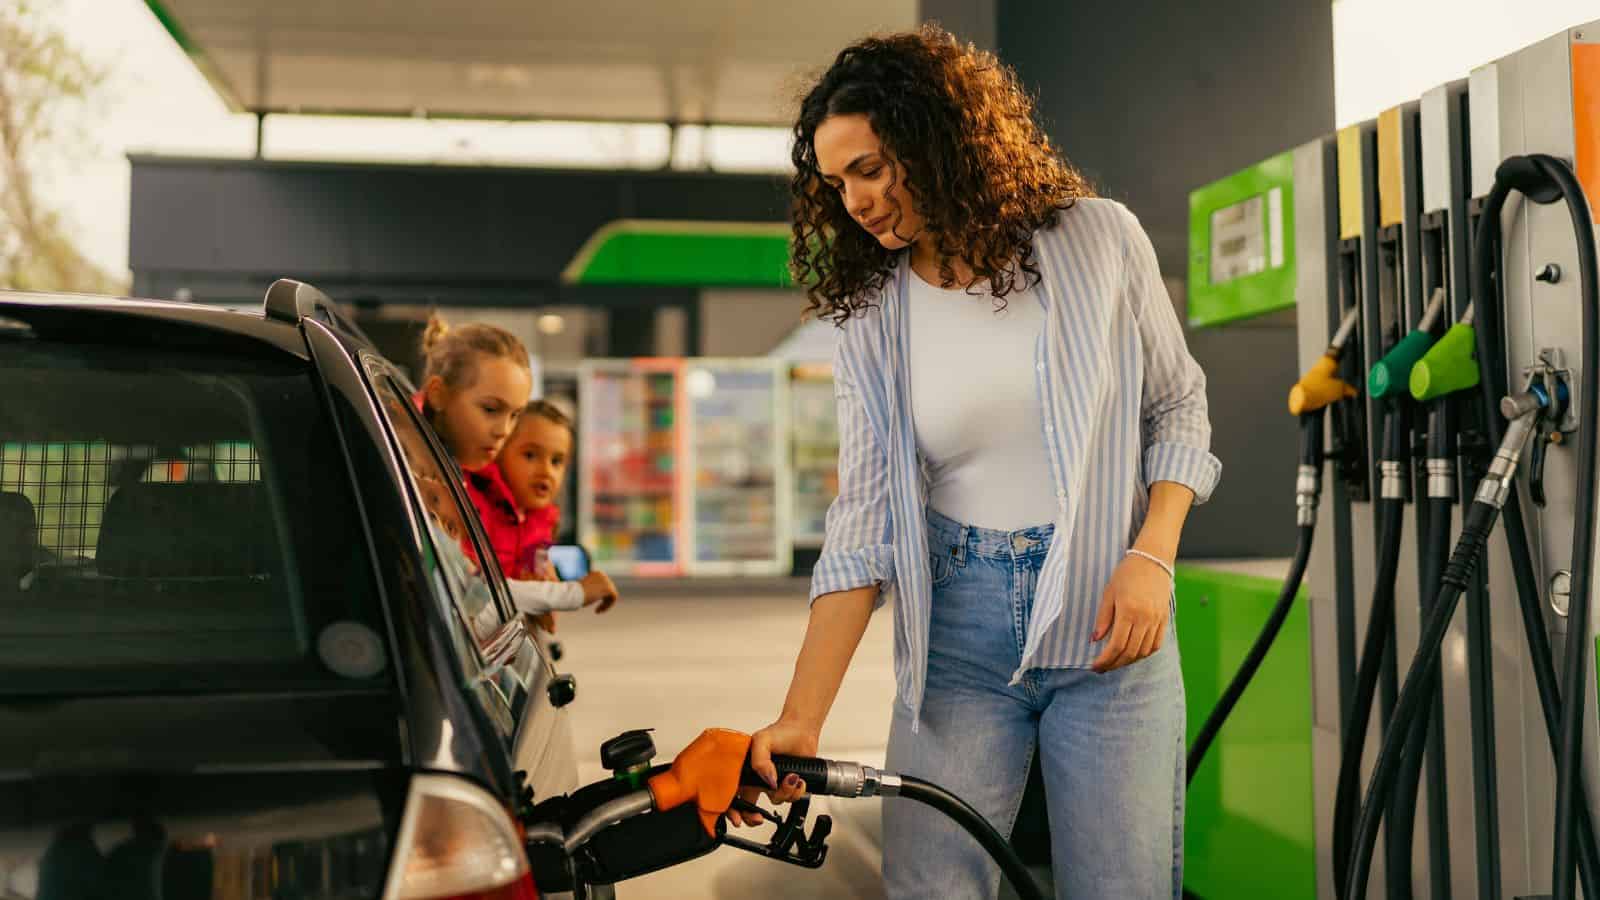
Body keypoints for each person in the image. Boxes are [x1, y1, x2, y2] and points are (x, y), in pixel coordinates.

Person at [735, 26, 1220, 900]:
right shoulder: (871, 318)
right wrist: (801, 716)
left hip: (1109, 624)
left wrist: (1153, 554)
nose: (856, 200)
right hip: (957, 635)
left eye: (872, 168)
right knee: (932, 890)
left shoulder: (1095, 240)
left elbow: (1176, 403)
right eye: (836, 181)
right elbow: (866, 522)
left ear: (943, 140)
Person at [416, 315, 617, 616]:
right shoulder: (421, 477)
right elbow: (469, 598)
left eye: (514, 416)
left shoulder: (458, 475)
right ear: (438, 394)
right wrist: (570, 593)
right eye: (491, 409)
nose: (503, 431)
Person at [495, 399, 619, 624]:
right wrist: (570, 594)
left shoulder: (540, 527)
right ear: (498, 451)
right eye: (530, 455)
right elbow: (480, 595)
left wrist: (544, 597)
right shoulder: (478, 512)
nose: (546, 471)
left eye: (557, 461)